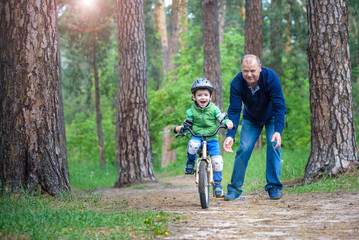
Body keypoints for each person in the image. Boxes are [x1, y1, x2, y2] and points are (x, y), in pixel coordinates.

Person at [223, 54, 286, 200]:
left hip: (272, 117)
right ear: (241, 70)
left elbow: (279, 106)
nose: (249, 74)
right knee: (244, 148)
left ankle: (274, 187)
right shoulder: (237, 83)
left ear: (260, 68)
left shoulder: (270, 77)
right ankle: (234, 188)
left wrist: (278, 131)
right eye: (245, 71)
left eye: (252, 70)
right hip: (251, 119)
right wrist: (230, 136)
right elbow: (234, 110)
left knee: (273, 146)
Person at [175, 78, 234, 198]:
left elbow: (221, 118)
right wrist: (181, 128)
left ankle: (217, 184)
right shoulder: (191, 111)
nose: (203, 98)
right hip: (197, 136)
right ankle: (191, 161)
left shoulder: (214, 109)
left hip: (212, 138)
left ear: (210, 97)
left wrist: (228, 122)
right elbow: (187, 123)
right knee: (192, 146)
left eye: (206, 95)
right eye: (199, 95)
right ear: (194, 97)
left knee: (217, 161)